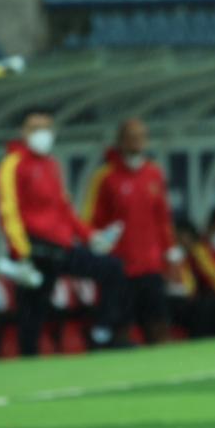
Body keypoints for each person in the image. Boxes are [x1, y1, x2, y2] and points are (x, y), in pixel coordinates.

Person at [0, 110, 128, 356]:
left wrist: (91, 237)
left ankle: (102, 333)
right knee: (33, 311)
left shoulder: (51, 164)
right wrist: (21, 253)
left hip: (61, 246)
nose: (42, 134)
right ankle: (29, 360)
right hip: (34, 249)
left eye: (46, 128)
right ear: (23, 133)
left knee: (112, 268)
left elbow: (65, 210)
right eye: (35, 128)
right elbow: (8, 212)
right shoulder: (12, 164)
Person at [80, 118, 182, 344]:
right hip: (121, 268)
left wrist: (171, 253)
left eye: (142, 137)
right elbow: (90, 221)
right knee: (121, 329)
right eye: (133, 137)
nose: (138, 142)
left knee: (159, 324)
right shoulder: (105, 177)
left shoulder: (154, 173)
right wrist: (98, 246)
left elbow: (163, 218)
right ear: (121, 141)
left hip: (151, 265)